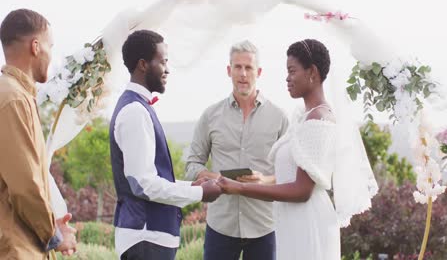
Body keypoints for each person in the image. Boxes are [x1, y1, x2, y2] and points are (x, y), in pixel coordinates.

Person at [217, 39, 378, 260]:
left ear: (312, 72)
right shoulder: (303, 117)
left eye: (292, 71)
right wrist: (262, 180)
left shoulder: (319, 119)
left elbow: (302, 191)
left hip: (308, 222)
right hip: (292, 222)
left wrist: (239, 188)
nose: (287, 78)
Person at [110, 29, 222, 260]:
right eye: (163, 62)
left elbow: (150, 177)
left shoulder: (139, 107)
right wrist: (200, 193)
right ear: (143, 64)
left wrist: (192, 186)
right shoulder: (135, 112)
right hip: (145, 238)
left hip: (150, 239)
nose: (167, 69)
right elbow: (144, 184)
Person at [185, 40, 289, 260]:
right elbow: (192, 165)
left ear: (258, 72)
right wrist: (218, 179)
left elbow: (291, 174)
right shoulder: (210, 116)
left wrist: (265, 180)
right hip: (221, 226)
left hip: (264, 226)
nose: (243, 74)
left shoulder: (279, 118)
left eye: (249, 67)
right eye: (238, 67)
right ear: (228, 70)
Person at [0, 9, 77, 258]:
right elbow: (24, 185)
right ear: (36, 47)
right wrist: (53, 235)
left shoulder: (18, 95)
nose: (51, 56)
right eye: (50, 47)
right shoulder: (12, 99)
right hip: (16, 247)